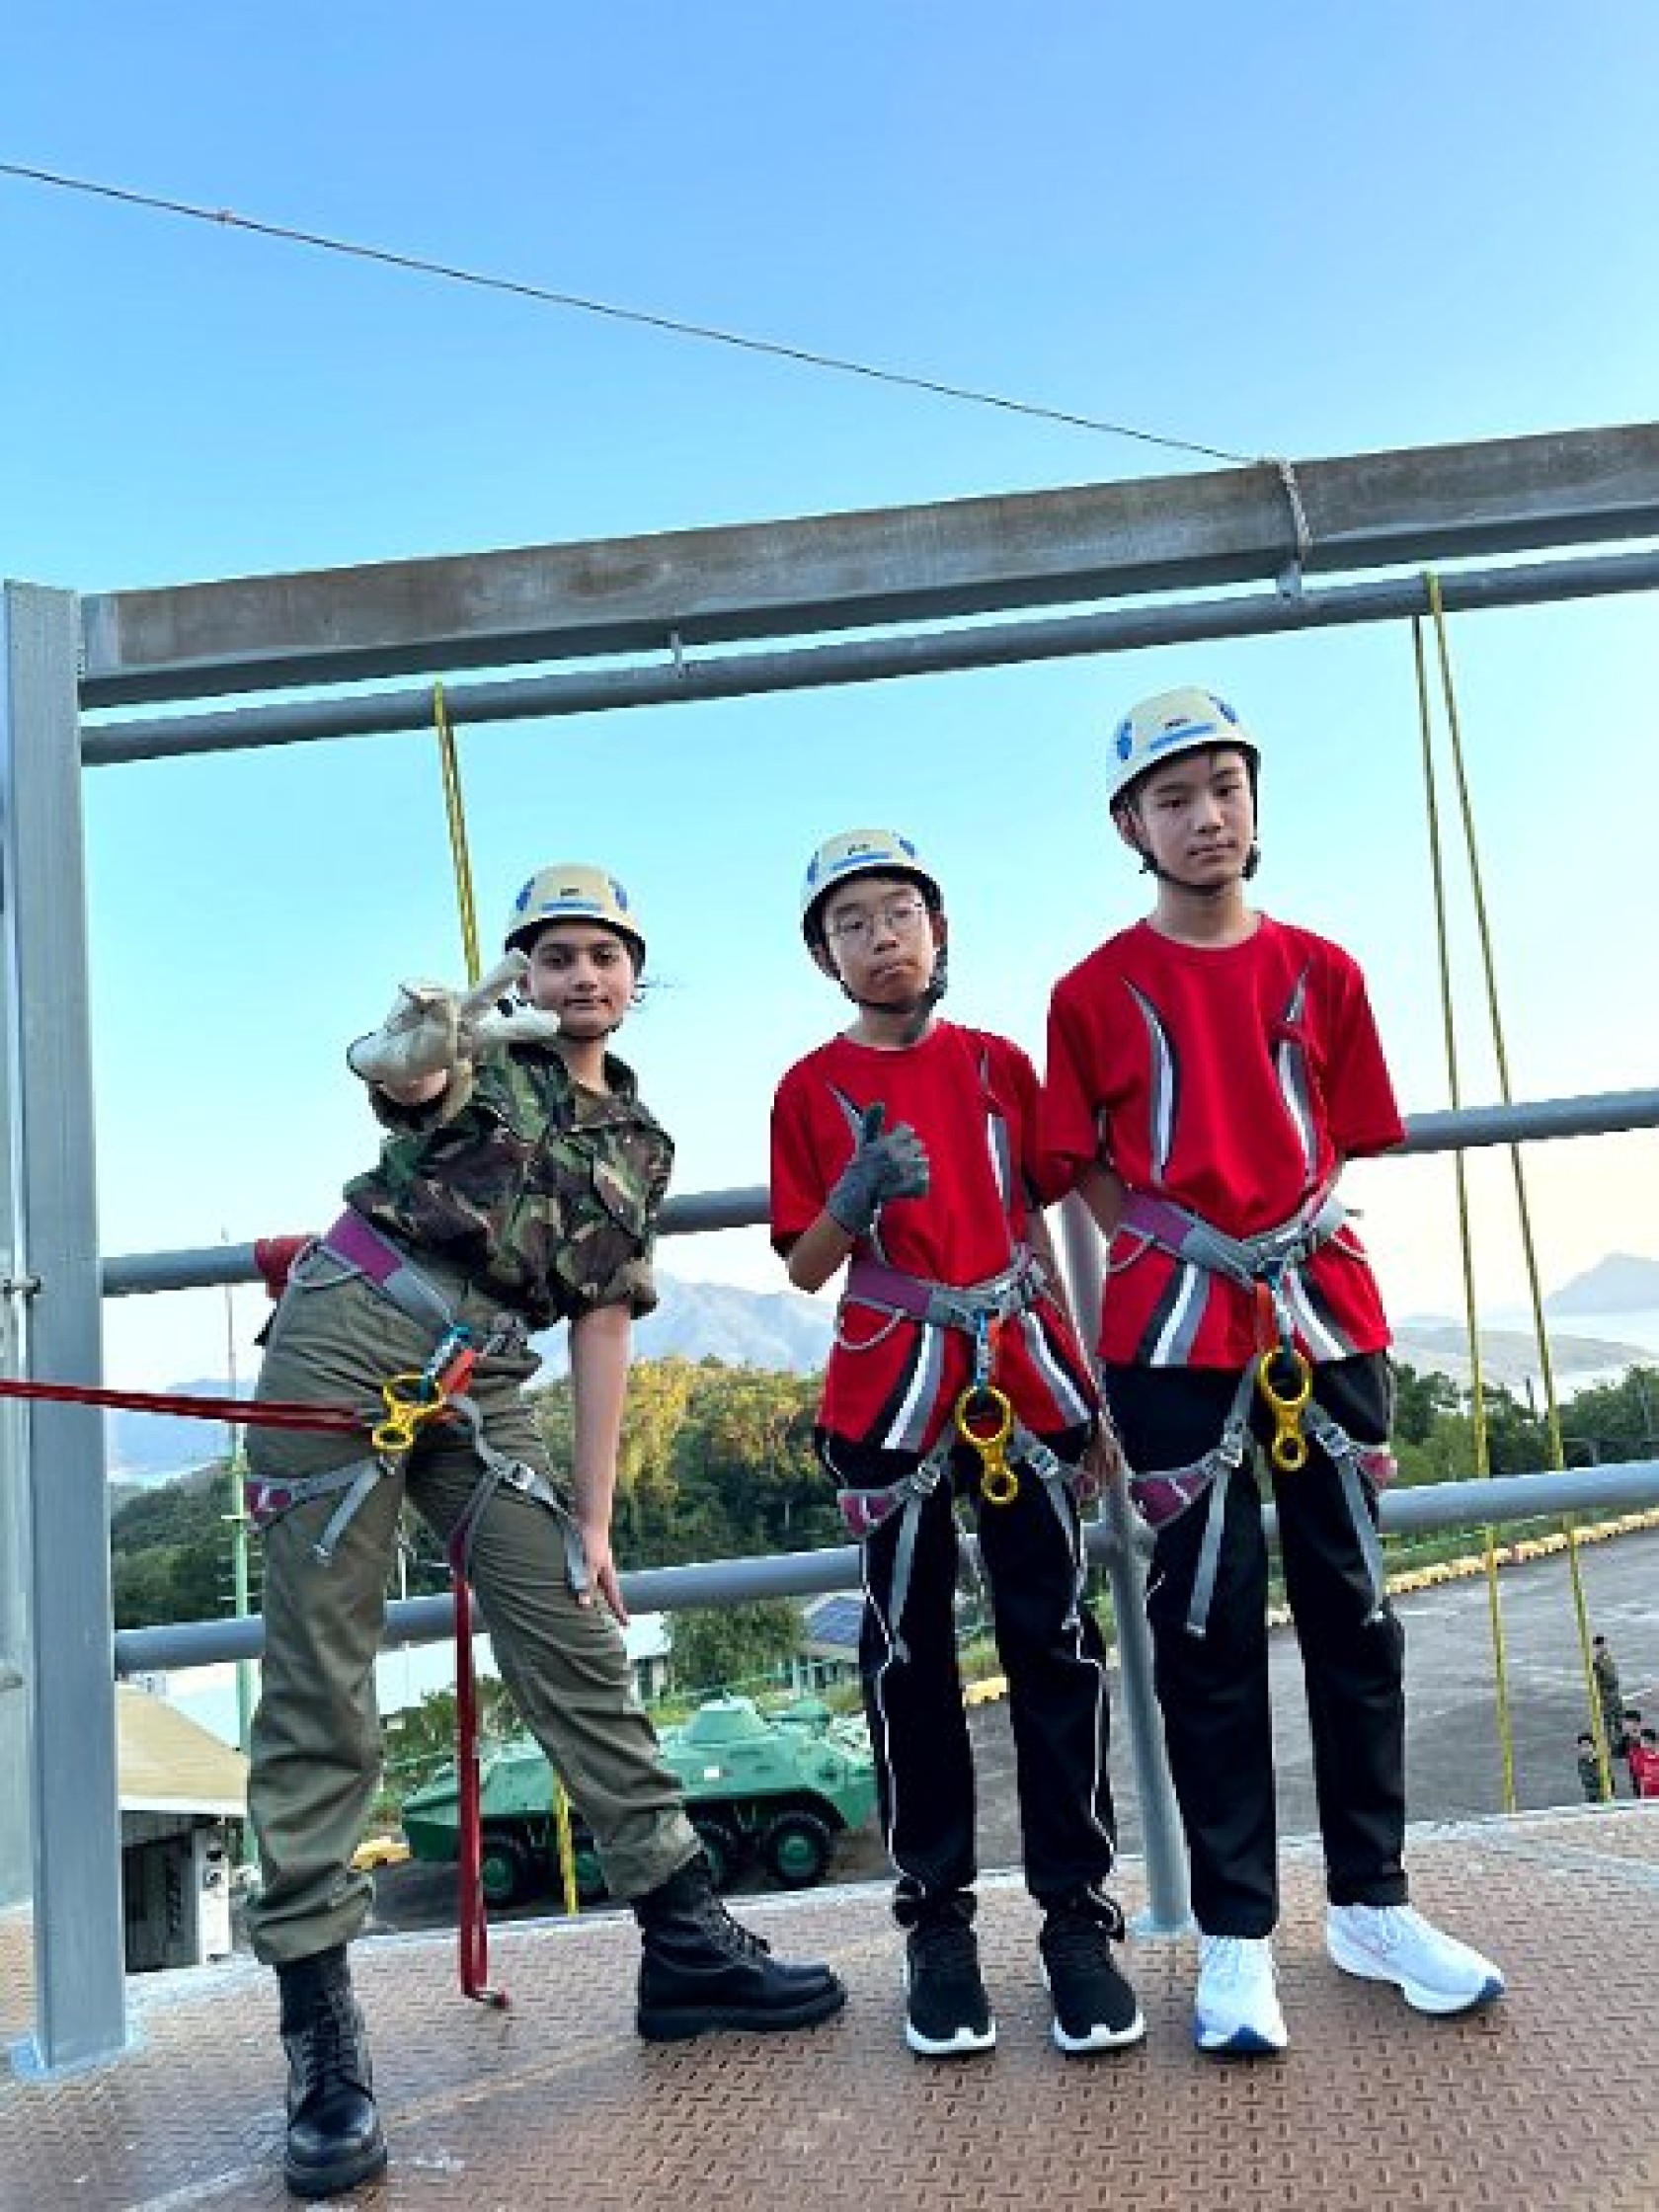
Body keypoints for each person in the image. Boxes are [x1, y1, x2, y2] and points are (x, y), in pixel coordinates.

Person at [245, 864, 844, 2199]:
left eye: (602, 955)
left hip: (487, 1378)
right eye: (554, 954)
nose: (580, 975)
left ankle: (684, 1941)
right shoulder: (483, 1061)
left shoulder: (639, 1141)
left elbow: (605, 1318)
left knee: (575, 1630)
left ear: (634, 978)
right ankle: (322, 2038)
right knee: (322, 1681)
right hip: (349, 1336)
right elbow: (411, 1082)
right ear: (522, 973)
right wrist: (419, 1045)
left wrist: (597, 1516)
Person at [1043, 686, 1506, 2056]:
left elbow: (1339, 1134)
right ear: (1130, 825)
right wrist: (1176, 1245)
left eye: (1226, 788)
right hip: (1170, 1335)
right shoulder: (1092, 993)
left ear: (1254, 801)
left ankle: (1372, 1902)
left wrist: (1263, 1238)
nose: (1207, 817)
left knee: (1356, 1613)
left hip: (1325, 1317)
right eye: (1174, 798)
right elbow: (1076, 1168)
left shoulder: (1325, 971)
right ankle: (1237, 1932)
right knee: (1206, 1632)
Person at [769, 828, 1143, 2062]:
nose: (882, 937)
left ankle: (1077, 1922)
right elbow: (807, 1263)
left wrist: (1084, 1388)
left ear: (939, 931)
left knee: (1055, 1646)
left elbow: (1031, 1228)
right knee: (907, 1663)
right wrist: (855, 1193)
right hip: (891, 1389)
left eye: (900, 913)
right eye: (852, 923)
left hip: (1020, 1376)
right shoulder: (809, 1090)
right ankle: (936, 1928)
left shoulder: (998, 1066)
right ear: (825, 958)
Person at [1576, 1730, 1607, 1804]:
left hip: (1605, 1798)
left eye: (1587, 1746)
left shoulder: (1602, 1761)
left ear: (1593, 1746)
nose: (1585, 1749)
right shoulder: (1582, 1762)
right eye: (1582, 1746)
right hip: (1591, 1799)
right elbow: (1587, 1781)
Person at [1632, 1726, 1659, 1800]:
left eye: (1643, 1741)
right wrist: (1642, 1798)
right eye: (1641, 1741)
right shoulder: (1639, 1756)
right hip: (1648, 1795)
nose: (1641, 1744)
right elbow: (1641, 1779)